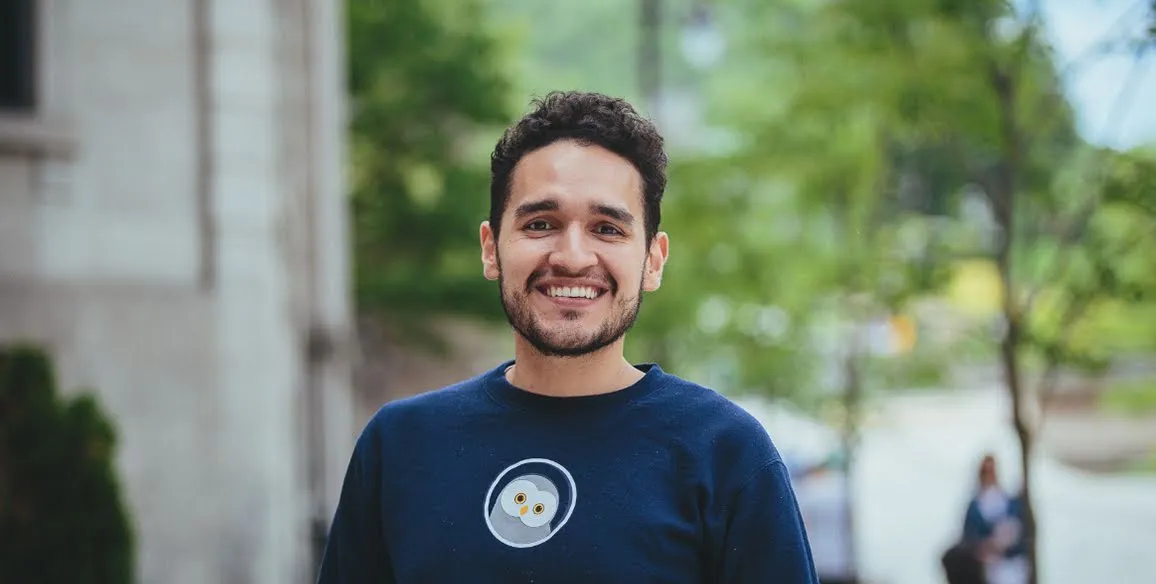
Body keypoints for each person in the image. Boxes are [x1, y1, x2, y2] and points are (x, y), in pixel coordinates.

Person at [315, 91, 819, 583]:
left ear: (653, 260)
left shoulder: (725, 454)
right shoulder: (400, 446)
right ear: (491, 249)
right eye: (541, 223)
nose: (573, 256)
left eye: (607, 229)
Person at [959, 453, 1029, 584]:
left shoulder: (1010, 502)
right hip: (985, 566)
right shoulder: (975, 506)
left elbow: (1020, 534)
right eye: (985, 472)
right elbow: (968, 536)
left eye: (991, 471)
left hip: (1011, 564)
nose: (989, 476)